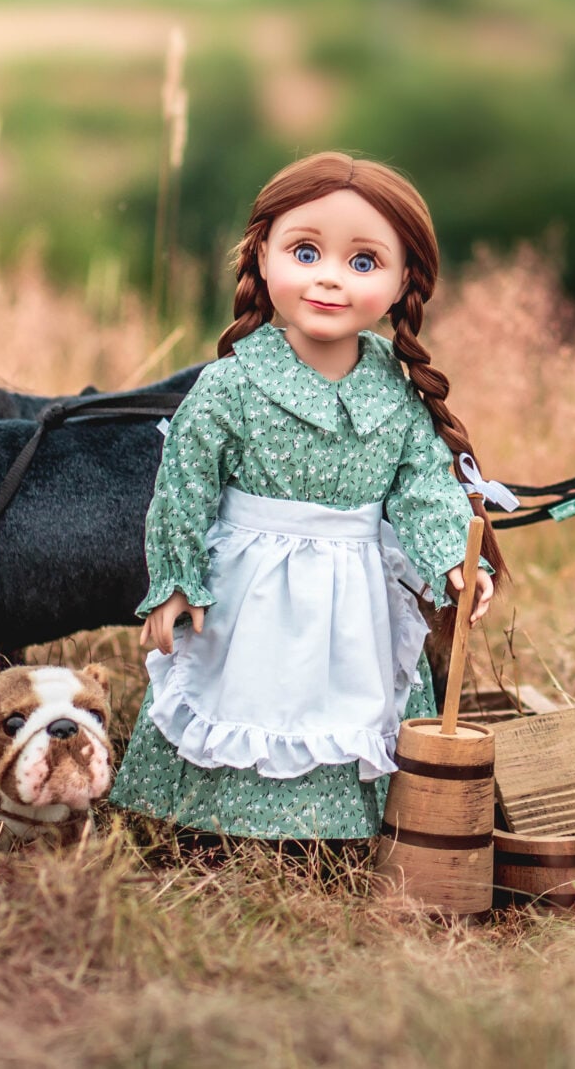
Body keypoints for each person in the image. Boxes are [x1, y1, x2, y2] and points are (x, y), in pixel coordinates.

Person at [108, 152, 495, 840]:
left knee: (351, 700)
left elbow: (424, 486)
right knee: (241, 693)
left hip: (355, 594)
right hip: (249, 586)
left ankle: (338, 832)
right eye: (306, 250)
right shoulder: (232, 384)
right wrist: (175, 579)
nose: (329, 278)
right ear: (262, 254)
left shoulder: (397, 394)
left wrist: (454, 559)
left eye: (364, 262)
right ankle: (215, 824)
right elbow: (184, 486)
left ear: (407, 278)